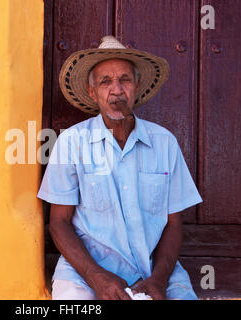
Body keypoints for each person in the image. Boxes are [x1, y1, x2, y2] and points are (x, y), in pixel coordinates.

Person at [38, 36, 203, 300]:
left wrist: (158, 280)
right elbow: (59, 222)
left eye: (125, 79)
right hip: (83, 274)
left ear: (136, 86)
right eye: (105, 81)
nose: (116, 90)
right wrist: (96, 277)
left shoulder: (164, 143)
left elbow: (173, 224)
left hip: (154, 272)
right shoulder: (71, 142)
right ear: (93, 93)